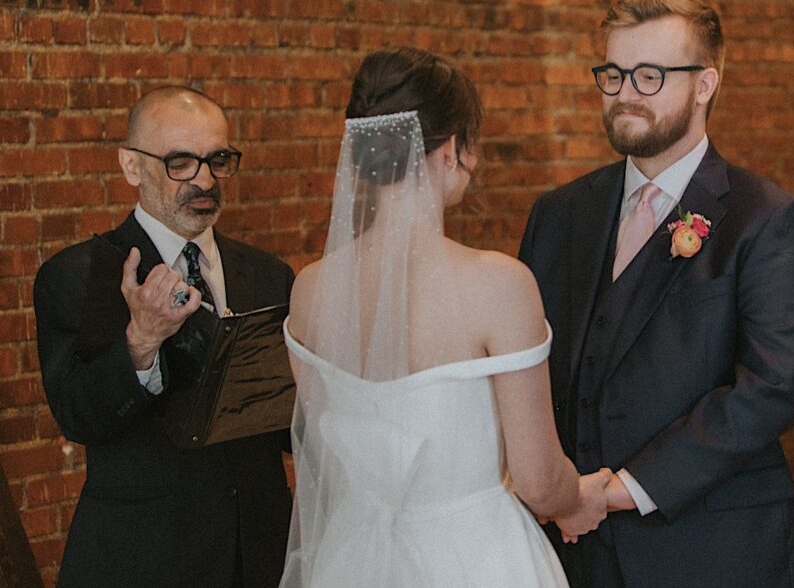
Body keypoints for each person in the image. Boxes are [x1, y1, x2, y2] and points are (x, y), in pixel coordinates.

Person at [519, 0, 794, 586]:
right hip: (570, 548)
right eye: (613, 73)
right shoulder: (558, 214)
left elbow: (771, 387)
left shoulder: (764, 218)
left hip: (711, 550)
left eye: (650, 76)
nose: (625, 94)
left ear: (705, 84)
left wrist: (621, 491)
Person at [280, 47, 611, 587]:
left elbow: (330, 457)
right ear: (451, 151)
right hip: (473, 557)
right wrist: (580, 498)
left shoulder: (311, 291)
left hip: (352, 559)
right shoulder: (499, 285)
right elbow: (537, 477)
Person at [34, 87, 294, 587]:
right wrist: (141, 341)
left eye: (218, 159)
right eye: (180, 162)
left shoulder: (269, 275)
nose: (205, 179)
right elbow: (78, 415)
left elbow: (288, 427)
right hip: (141, 556)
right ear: (132, 166)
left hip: (258, 553)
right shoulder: (80, 276)